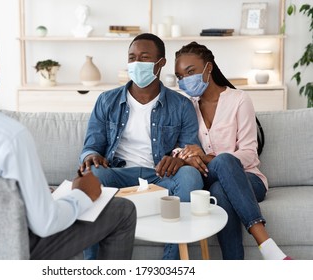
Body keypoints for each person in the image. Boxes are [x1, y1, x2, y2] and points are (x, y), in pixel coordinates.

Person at [0, 23, 136, 260]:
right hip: (9, 253)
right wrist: (83, 195)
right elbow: (45, 223)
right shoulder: (9, 135)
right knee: (122, 211)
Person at [80, 33, 204, 260]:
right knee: (92, 175)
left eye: (144, 58)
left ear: (161, 63)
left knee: (190, 176)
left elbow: (190, 148)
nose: (136, 63)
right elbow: (92, 145)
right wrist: (91, 156)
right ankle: (94, 267)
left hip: (159, 176)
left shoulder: (181, 105)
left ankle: (170, 264)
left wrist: (179, 157)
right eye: (132, 57)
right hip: (117, 173)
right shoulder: (106, 100)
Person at [173, 41, 292, 260]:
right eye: (180, 76)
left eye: (190, 72)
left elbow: (249, 154)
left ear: (208, 68)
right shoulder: (186, 106)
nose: (184, 80)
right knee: (218, 184)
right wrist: (185, 155)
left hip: (249, 180)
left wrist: (206, 157)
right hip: (206, 179)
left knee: (222, 182)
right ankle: (268, 248)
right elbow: (177, 148)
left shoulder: (239, 100)